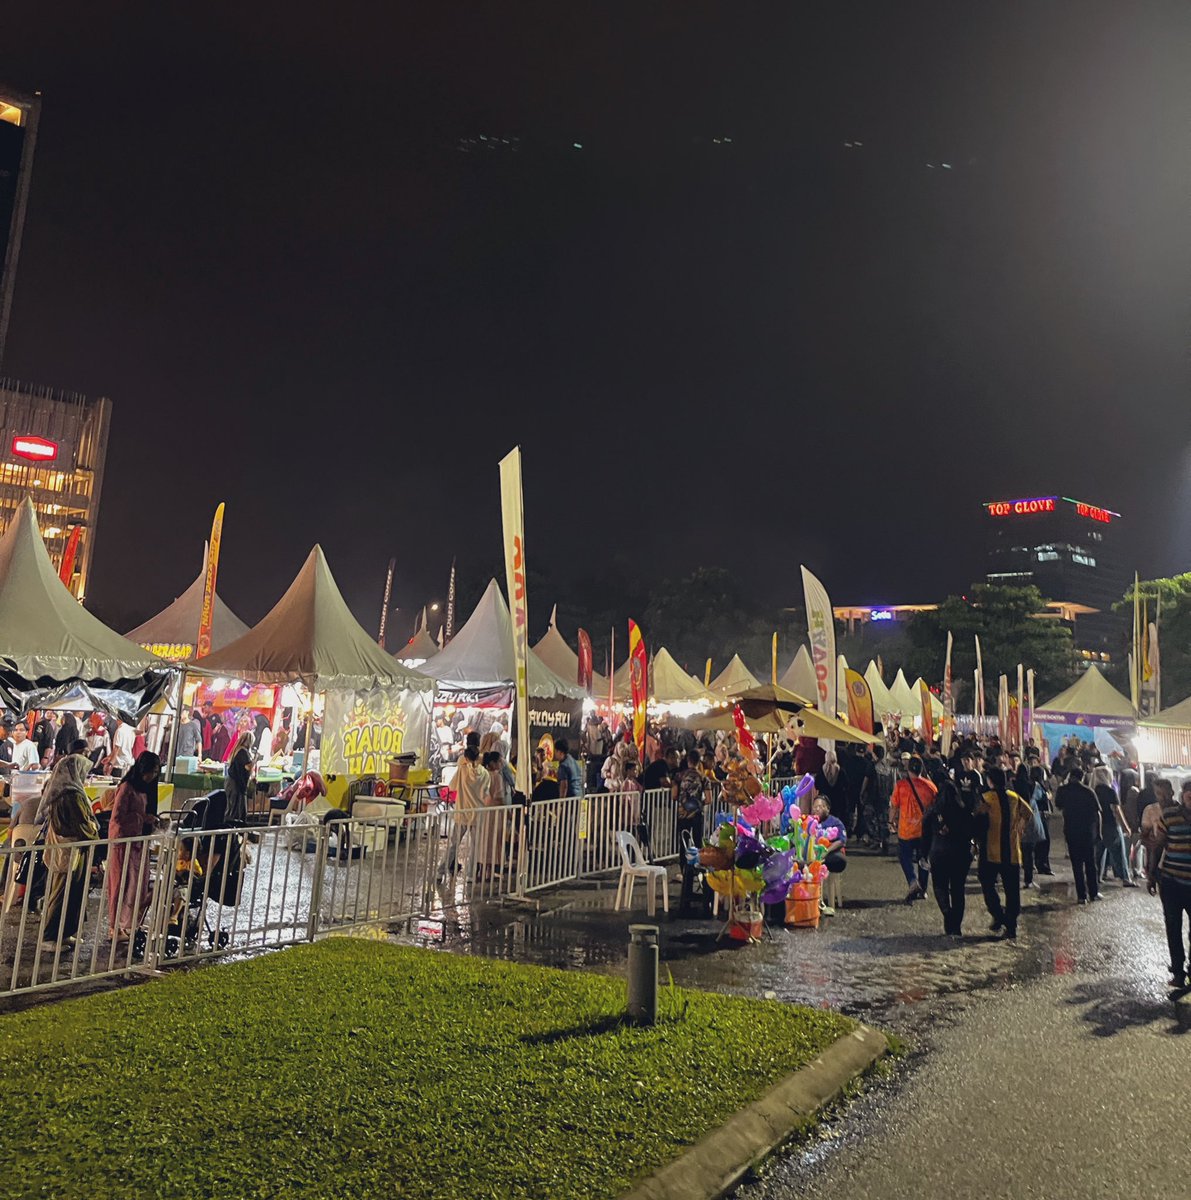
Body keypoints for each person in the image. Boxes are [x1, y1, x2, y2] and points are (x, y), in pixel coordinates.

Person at [39, 754, 99, 948]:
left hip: (73, 850)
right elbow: (80, 824)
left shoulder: (67, 792)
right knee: (62, 893)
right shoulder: (70, 795)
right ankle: (50, 936)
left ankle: (64, 933)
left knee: (73, 892)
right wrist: (94, 832)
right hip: (69, 850)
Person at [108, 752, 164, 952]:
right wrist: (142, 818)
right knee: (120, 885)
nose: (153, 776)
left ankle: (128, 924)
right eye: (151, 772)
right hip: (124, 843)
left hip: (138, 843)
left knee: (136, 885)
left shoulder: (143, 789)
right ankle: (114, 927)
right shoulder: (126, 788)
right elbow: (117, 818)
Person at [977, 766, 1033, 939]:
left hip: (991, 851)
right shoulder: (1014, 798)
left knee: (987, 884)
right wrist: (1019, 828)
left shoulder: (986, 799)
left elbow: (977, 818)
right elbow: (1028, 813)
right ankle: (1011, 924)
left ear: (990, 781)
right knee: (1012, 890)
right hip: (1012, 851)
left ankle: (998, 914)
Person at [1147, 779, 1191, 988]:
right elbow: (1158, 845)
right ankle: (1178, 971)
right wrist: (1151, 873)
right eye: (1188, 791)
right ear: (1182, 795)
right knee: (1173, 928)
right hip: (1171, 882)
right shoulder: (1170, 815)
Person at [929, 776, 979, 937]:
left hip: (940, 854)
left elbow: (925, 831)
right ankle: (955, 925)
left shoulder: (936, 811)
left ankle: (948, 915)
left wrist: (923, 853)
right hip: (961, 854)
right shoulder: (964, 810)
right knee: (957, 890)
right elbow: (974, 828)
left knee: (940, 887)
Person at [890, 755, 936, 902]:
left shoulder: (901, 785)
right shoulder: (930, 787)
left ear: (908, 769)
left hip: (906, 830)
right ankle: (923, 889)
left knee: (905, 858)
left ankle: (912, 881)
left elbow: (894, 806)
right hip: (925, 831)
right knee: (923, 859)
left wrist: (891, 821)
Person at [440, 732, 485, 881]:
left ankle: (441, 871)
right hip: (477, 813)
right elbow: (486, 790)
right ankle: (471, 875)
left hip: (462, 811)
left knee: (453, 844)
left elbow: (452, 786)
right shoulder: (483, 769)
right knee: (475, 846)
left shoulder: (461, 765)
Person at [1055, 766, 1102, 904]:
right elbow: (1097, 813)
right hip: (1088, 831)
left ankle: (1082, 896)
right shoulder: (1088, 791)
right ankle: (1093, 893)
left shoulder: (1063, 790)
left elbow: (1058, 805)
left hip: (1071, 831)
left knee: (1076, 865)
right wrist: (1098, 833)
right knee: (1090, 863)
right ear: (1082, 778)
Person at [673, 749, 708, 913]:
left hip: (682, 814)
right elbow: (708, 799)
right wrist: (698, 802)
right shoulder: (703, 777)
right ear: (699, 761)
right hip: (697, 815)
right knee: (698, 843)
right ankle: (697, 873)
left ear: (688, 761)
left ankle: (684, 873)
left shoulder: (679, 777)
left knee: (683, 844)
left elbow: (673, 796)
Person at [1091, 766, 1134, 887]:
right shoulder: (1110, 791)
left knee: (1099, 853)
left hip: (1097, 826)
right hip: (1111, 824)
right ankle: (1125, 878)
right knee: (1119, 852)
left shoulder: (1093, 790)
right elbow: (1117, 810)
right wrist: (1126, 827)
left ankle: (1097, 876)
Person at [811, 795, 847, 916]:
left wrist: (826, 850)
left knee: (833, 861)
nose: (817, 809)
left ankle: (826, 902)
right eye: (815, 806)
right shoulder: (810, 821)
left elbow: (841, 841)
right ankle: (813, 899)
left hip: (831, 854)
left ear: (828, 809)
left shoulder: (835, 822)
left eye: (820, 806)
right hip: (813, 854)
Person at [866, 745, 895, 854]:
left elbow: (867, 780)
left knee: (872, 818)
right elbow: (892, 783)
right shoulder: (888, 768)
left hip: (874, 796)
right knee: (884, 819)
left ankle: (877, 840)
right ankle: (885, 841)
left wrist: (863, 792)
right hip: (885, 796)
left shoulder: (873, 766)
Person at [225, 730, 255, 823]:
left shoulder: (237, 750)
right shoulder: (243, 752)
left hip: (232, 782)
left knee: (231, 809)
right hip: (236, 785)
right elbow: (247, 767)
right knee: (235, 811)